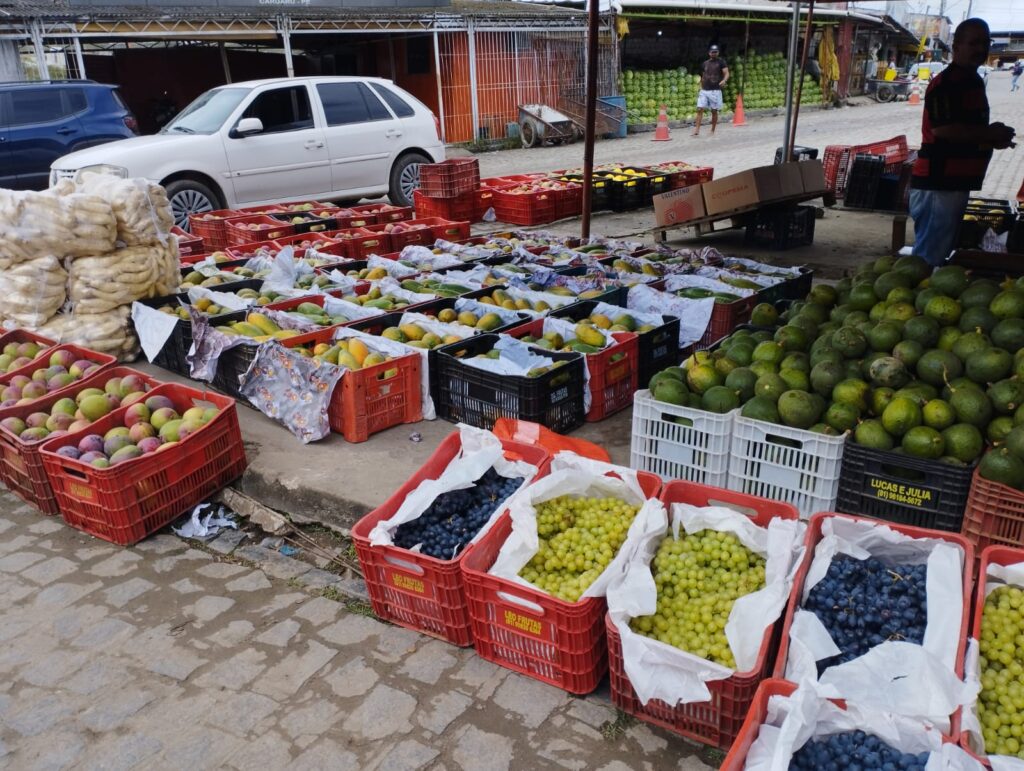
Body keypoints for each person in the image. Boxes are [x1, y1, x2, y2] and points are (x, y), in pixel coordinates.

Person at [909, 18, 1016, 266]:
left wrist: (991, 138)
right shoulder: (946, 83)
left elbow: (967, 130)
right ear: (956, 46)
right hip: (938, 183)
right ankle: (916, 303)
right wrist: (988, 134)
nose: (980, 49)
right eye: (973, 43)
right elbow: (944, 129)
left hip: (953, 182)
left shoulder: (973, 81)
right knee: (929, 258)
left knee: (938, 251)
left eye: (984, 43)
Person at [693, 45, 729, 137]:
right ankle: (696, 129)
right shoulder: (705, 63)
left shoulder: (721, 62)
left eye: (716, 52)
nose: (714, 53)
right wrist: (700, 85)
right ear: (709, 53)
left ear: (718, 53)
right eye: (712, 52)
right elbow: (702, 75)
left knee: (714, 111)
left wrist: (724, 80)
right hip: (704, 90)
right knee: (700, 108)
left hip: (715, 91)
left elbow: (726, 73)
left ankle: (712, 130)